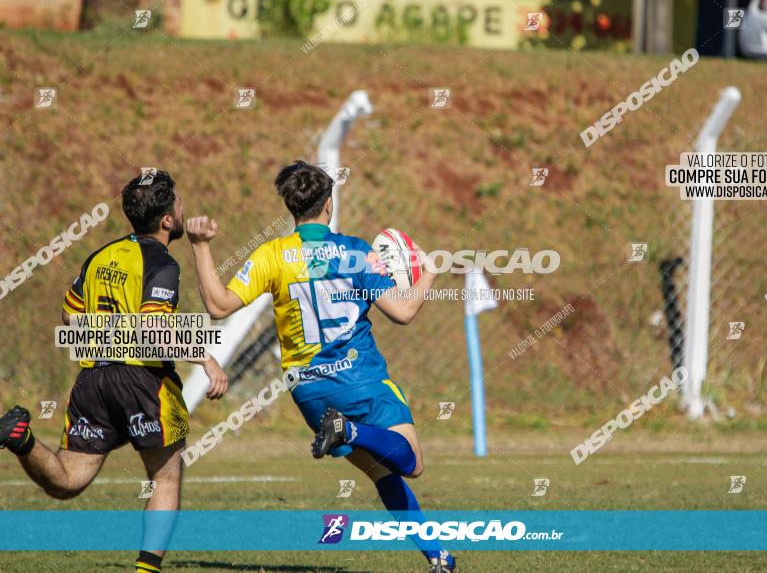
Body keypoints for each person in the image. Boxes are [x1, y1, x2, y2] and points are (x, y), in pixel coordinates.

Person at [185, 161, 458, 573]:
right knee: (411, 463)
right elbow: (402, 311)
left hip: (309, 392)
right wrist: (429, 275)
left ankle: (438, 556)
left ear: (291, 209)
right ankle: (351, 430)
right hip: (359, 378)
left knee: (381, 473)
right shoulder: (355, 252)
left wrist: (200, 246)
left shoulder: (272, 255)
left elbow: (219, 305)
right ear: (328, 204)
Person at [0, 171, 229, 573]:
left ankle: (21, 438)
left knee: (67, 480)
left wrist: (105, 342)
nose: (182, 205)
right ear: (168, 220)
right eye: (177, 201)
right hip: (142, 382)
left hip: (94, 380)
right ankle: (146, 569)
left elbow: (70, 313)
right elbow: (154, 331)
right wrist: (205, 358)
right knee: (166, 475)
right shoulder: (162, 264)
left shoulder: (100, 256)